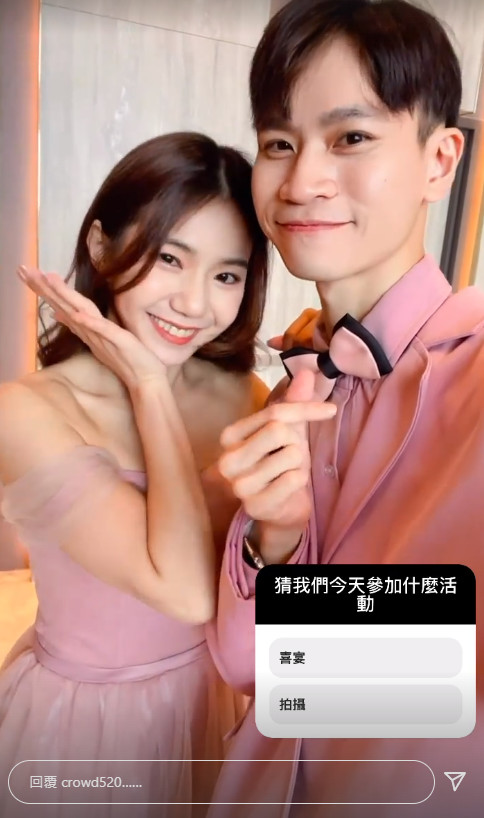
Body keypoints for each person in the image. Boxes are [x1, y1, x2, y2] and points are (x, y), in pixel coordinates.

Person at [206, 1, 484, 816]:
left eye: (351, 137)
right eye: (278, 144)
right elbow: (240, 666)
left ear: (439, 161)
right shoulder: (295, 385)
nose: (301, 182)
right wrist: (275, 540)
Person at [0, 131, 270, 817]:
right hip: (86, 727)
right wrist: (150, 387)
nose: (194, 303)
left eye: (226, 275)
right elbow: (185, 590)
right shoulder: (25, 413)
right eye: (170, 258)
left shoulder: (246, 397)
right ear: (100, 247)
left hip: (210, 702)